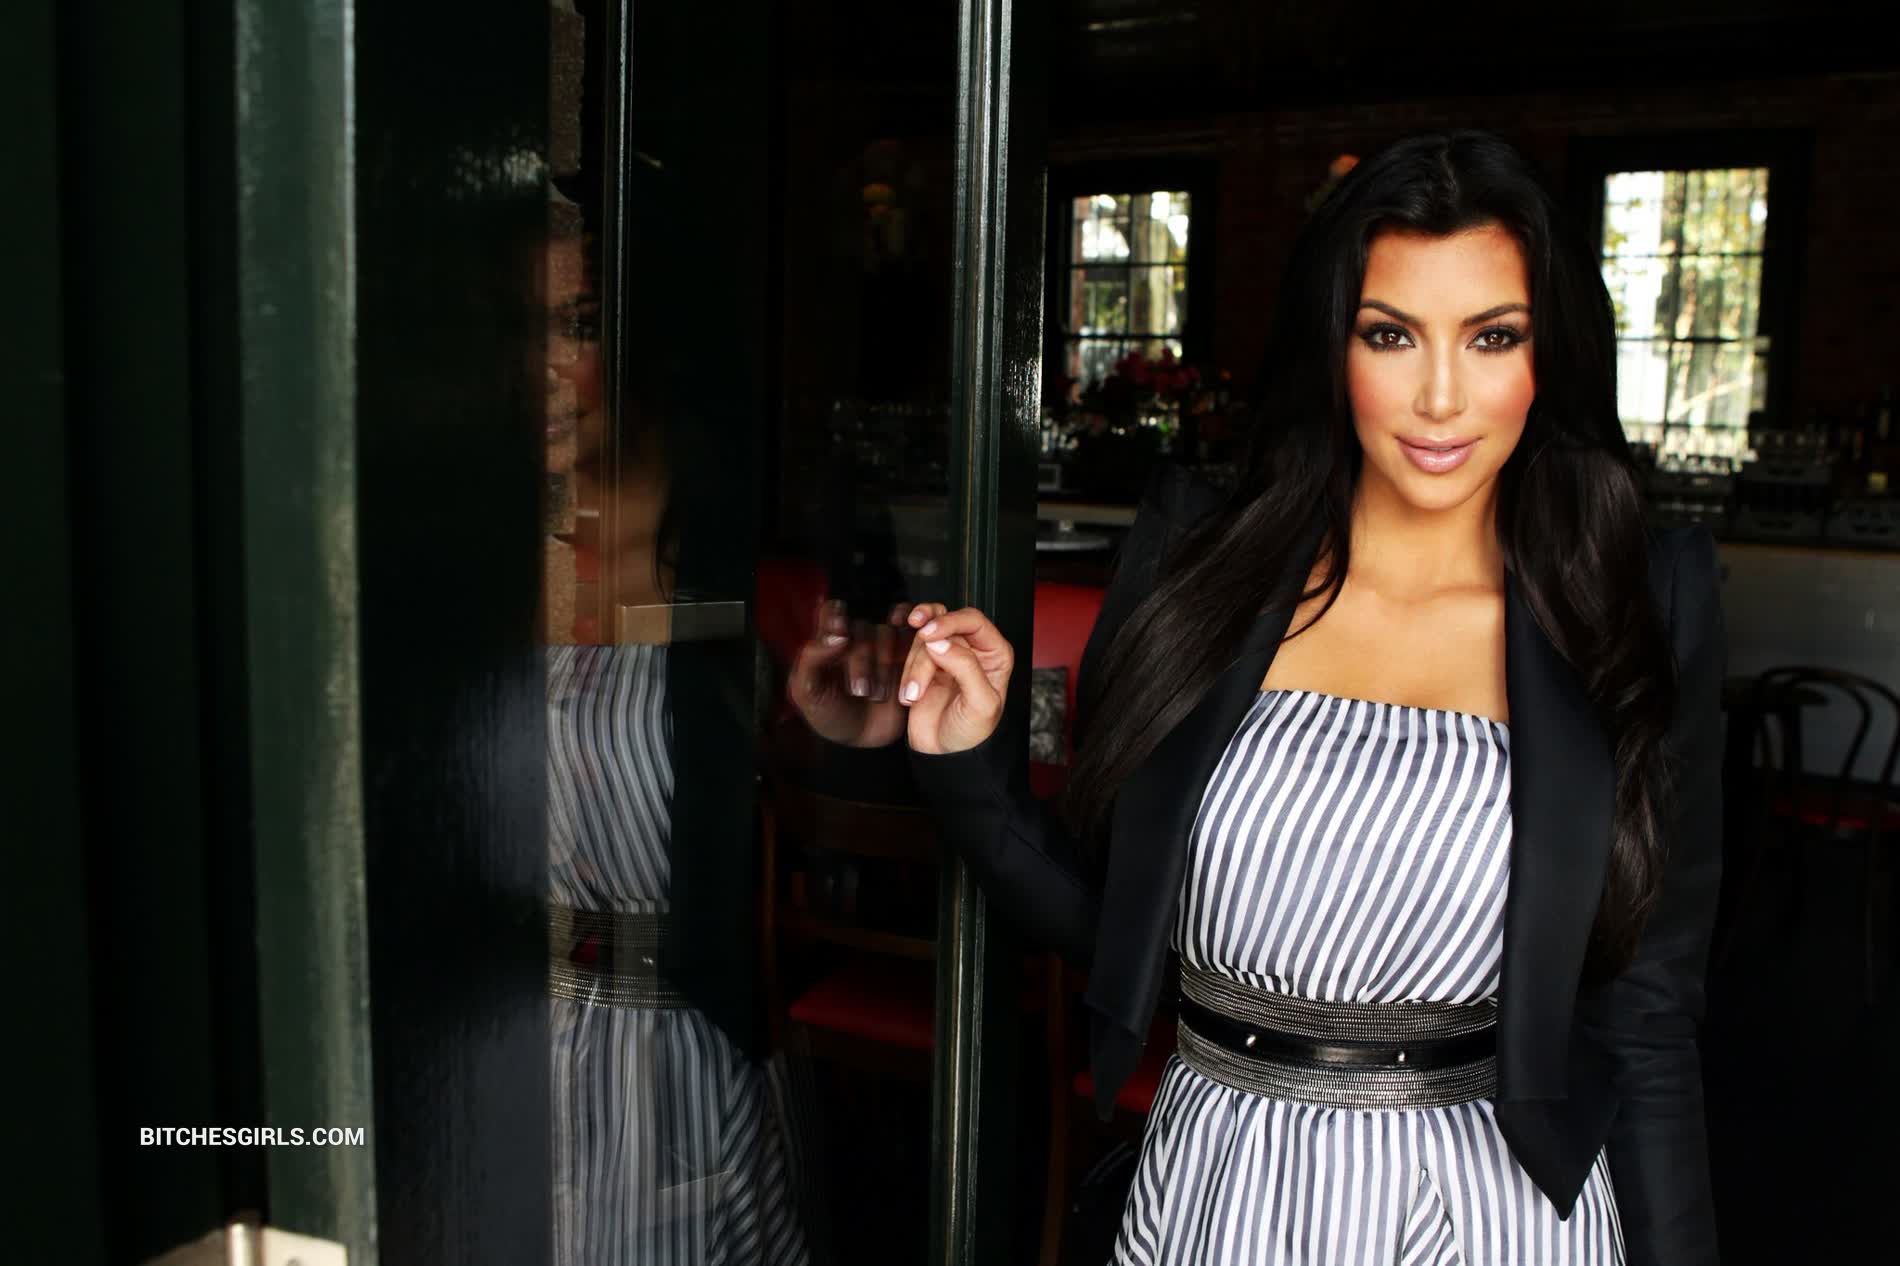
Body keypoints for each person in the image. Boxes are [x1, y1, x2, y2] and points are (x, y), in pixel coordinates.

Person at [876, 132, 1723, 1264]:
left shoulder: (1629, 603)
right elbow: (1119, 926)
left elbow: (1648, 1021)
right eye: (1390, 334)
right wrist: (967, 766)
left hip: (1492, 1215)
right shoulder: (1200, 566)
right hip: (1221, 1192)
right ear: (1334, 346)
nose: (1439, 397)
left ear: (1549, 355)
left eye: (1492, 337)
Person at [541, 192, 810, 1266]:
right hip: (498, 1047)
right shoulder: (464, 549)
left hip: (677, 1054)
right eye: (516, 331)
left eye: (576, 326)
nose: (540, 368)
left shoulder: (732, 559)